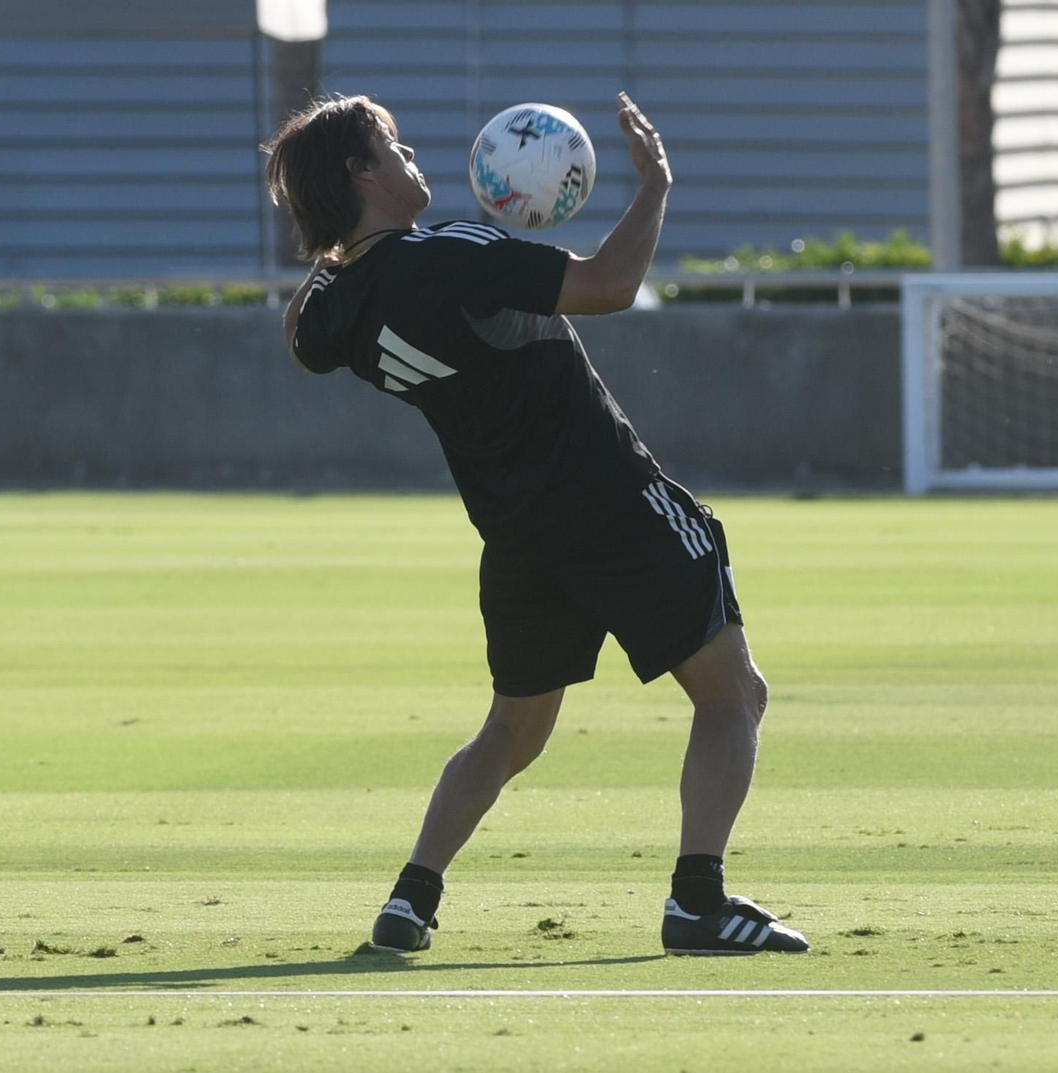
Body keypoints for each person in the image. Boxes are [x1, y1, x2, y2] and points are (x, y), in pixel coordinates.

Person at [264, 93, 807, 956]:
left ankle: (411, 897)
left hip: (518, 537)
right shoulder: (450, 254)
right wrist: (655, 186)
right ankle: (698, 904)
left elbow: (300, 333)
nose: (410, 157)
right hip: (610, 502)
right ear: (358, 174)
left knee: (513, 730)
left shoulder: (338, 307)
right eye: (390, 146)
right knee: (735, 692)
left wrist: (332, 246)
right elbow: (609, 285)